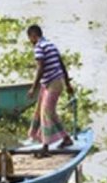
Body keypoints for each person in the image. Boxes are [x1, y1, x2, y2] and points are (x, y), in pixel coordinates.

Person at [27, 25, 74, 157]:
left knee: (46, 113)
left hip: (52, 84)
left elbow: (40, 68)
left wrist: (33, 88)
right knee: (49, 113)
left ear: (33, 36)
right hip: (54, 82)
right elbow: (62, 64)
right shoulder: (51, 45)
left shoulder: (39, 47)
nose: (31, 41)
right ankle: (66, 138)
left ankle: (45, 146)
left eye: (30, 38)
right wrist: (67, 84)